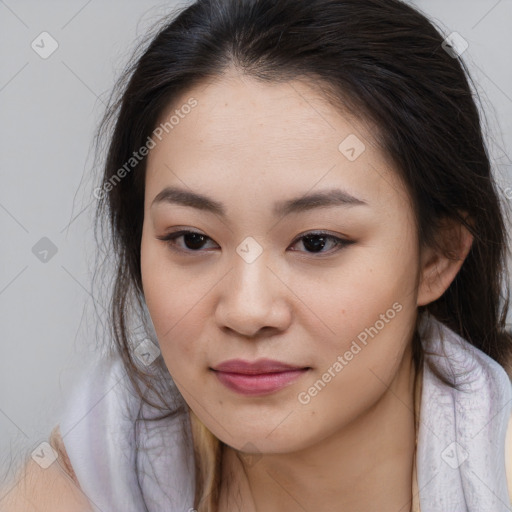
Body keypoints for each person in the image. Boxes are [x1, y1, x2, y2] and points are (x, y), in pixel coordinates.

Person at [2, 0, 512, 510]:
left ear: (438, 256)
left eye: (316, 242)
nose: (247, 312)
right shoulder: (105, 462)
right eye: (192, 239)